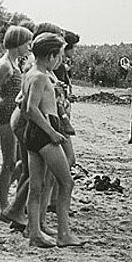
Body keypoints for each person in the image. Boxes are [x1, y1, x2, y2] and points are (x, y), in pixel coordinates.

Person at [23, 33, 81, 247]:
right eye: (59, 56)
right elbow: (31, 108)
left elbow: (23, 106)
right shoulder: (40, 77)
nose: (61, 60)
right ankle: (63, 233)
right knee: (66, 182)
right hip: (44, 131)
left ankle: (35, 231)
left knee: (37, 185)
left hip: (33, 133)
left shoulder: (30, 74)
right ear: (50, 56)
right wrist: (52, 132)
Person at [0, 25, 32, 213]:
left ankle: (1, 196)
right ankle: (2, 203)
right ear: (17, 43)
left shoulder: (13, 62)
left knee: (15, 160)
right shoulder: (5, 65)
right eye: (27, 43)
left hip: (10, 114)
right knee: (8, 162)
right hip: (5, 115)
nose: (29, 46)